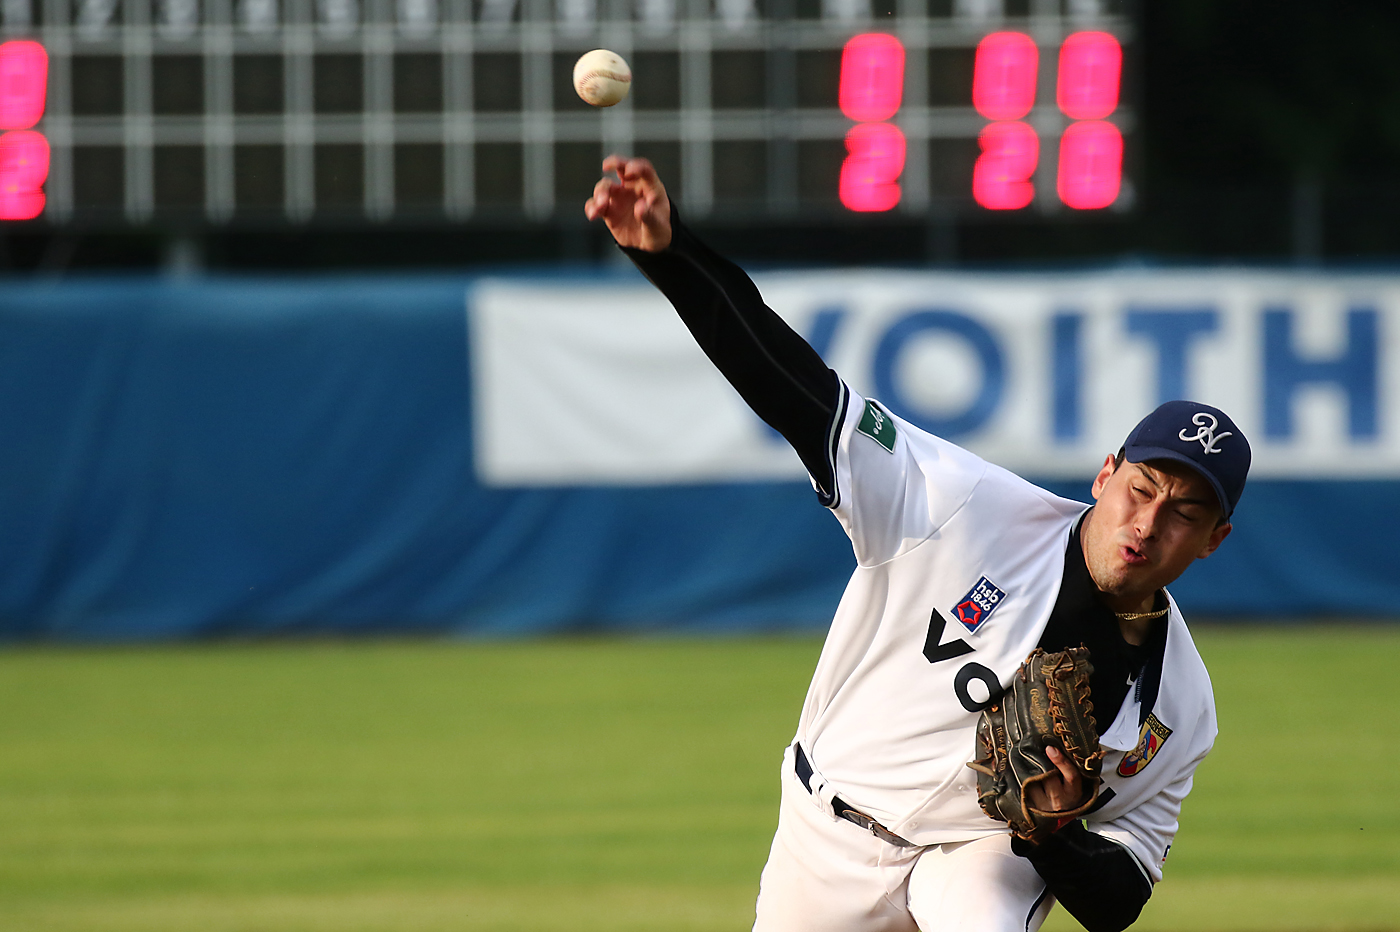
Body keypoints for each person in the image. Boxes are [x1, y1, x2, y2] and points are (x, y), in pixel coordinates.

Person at [585, 156, 1251, 932]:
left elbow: (1121, 896)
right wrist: (675, 258)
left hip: (981, 855)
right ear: (1106, 474)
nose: (1148, 523)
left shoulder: (1179, 705)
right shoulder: (961, 504)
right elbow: (800, 393)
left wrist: (1059, 835)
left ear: (1214, 539)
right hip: (829, 828)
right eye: (1141, 489)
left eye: (1183, 512)